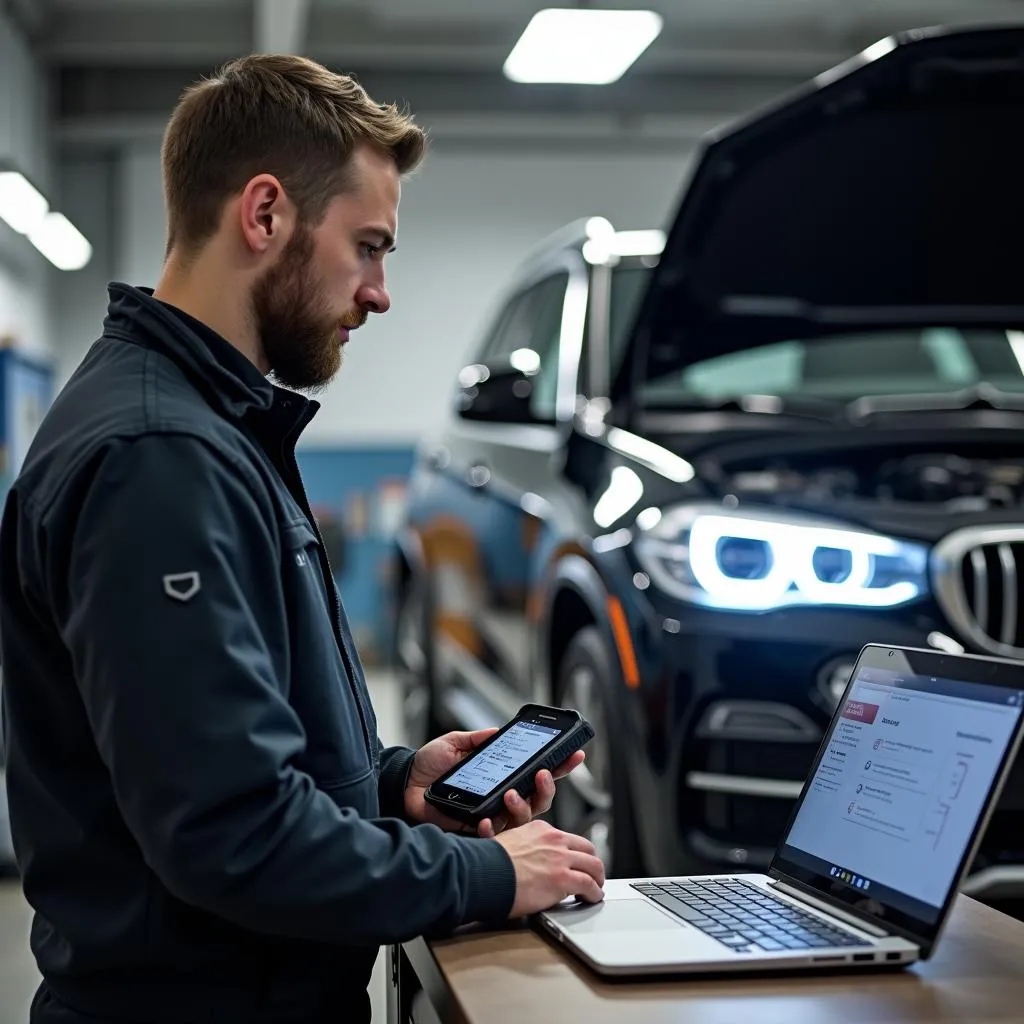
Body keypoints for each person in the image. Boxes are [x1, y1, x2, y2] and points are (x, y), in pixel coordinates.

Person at [0, 55, 605, 1024]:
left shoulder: (212, 430)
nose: (378, 292)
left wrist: (391, 782)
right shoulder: (156, 456)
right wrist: (483, 872)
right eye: (368, 246)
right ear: (266, 213)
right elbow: (230, 833)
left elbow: (220, 756)